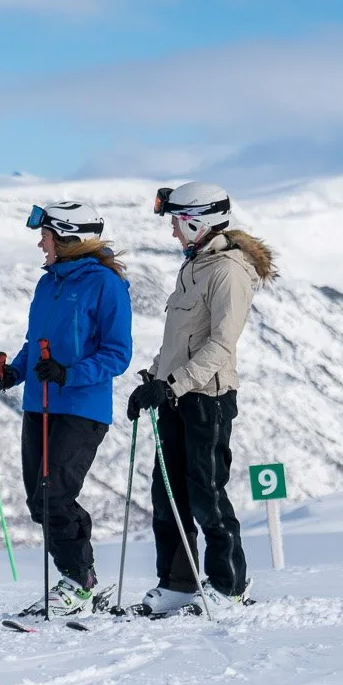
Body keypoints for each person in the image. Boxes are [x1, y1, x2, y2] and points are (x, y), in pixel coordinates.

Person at [125, 181, 275, 616]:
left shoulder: (227, 272)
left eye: (177, 223)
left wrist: (171, 385)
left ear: (198, 222)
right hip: (175, 396)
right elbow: (179, 340)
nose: (173, 233)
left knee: (206, 493)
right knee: (167, 495)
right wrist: (153, 378)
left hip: (207, 399)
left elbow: (220, 346)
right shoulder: (192, 267)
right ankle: (179, 584)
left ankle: (229, 586)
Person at [0, 200, 133, 616]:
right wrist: (14, 373)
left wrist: (70, 373)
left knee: (56, 495)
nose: (40, 244)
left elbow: (117, 353)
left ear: (68, 239)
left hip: (81, 408)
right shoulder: (47, 284)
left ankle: (77, 582)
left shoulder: (105, 284)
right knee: (39, 500)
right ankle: (79, 577)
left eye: (46, 236)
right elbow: (34, 343)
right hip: (39, 404)